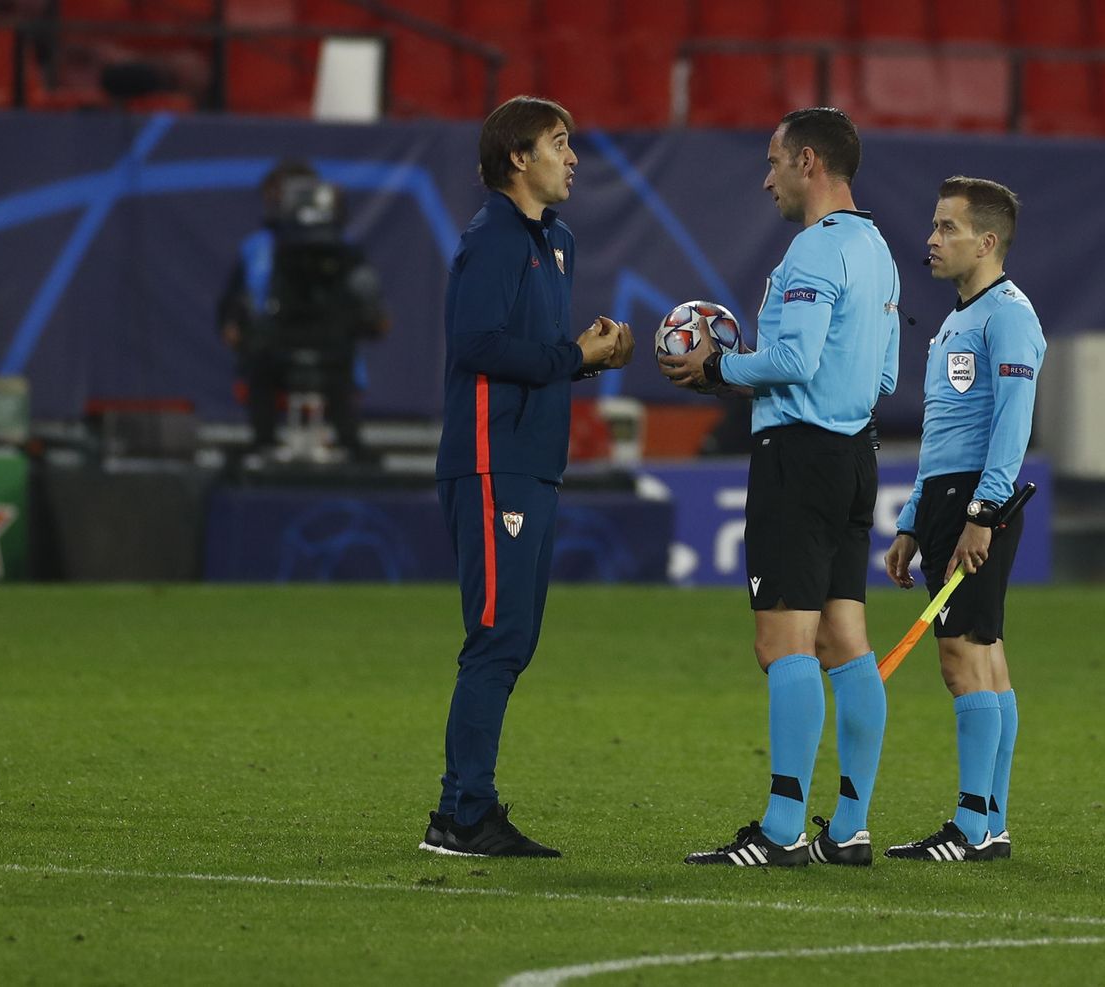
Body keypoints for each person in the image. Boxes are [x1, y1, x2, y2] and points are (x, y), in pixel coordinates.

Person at [660, 107, 901, 867]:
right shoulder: (880, 252)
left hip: (799, 458)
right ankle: (852, 825)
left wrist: (718, 370)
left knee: (782, 643)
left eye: (772, 162)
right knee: (845, 640)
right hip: (857, 455)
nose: (765, 179)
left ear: (808, 162)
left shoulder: (813, 252)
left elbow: (793, 361)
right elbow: (887, 375)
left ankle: (781, 829)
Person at [418, 96, 634, 858]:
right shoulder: (495, 238)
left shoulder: (558, 240)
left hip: (533, 462)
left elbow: (539, 349)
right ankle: (461, 813)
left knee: (513, 637)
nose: (573, 158)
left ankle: (465, 806)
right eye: (559, 143)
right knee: (496, 636)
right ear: (518, 158)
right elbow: (477, 343)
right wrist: (579, 357)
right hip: (490, 459)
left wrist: (591, 351)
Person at [881, 177, 1044, 863]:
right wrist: (915, 518)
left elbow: (1012, 423)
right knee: (988, 657)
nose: (932, 238)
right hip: (950, 501)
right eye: (934, 225)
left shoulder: (1008, 314)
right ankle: (992, 823)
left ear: (987, 241)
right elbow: (943, 432)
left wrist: (983, 510)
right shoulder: (957, 318)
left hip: (980, 502)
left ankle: (972, 824)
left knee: (962, 656)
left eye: (947, 227)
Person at [217, 160, 388, 459]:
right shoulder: (255, 248)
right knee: (260, 362)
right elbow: (231, 302)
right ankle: (264, 442)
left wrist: (371, 315)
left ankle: (349, 442)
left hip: (330, 341)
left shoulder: (342, 248)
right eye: (275, 195)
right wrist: (232, 322)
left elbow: (364, 296)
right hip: (273, 341)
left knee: (339, 358)